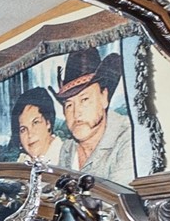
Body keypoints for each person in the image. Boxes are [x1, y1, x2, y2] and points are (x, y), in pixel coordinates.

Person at [55, 48, 134, 181]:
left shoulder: (127, 139)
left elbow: (115, 200)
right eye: (69, 105)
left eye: (84, 100)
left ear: (104, 98)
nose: (76, 112)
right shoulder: (68, 149)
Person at [11, 85, 62, 165]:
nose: (30, 134)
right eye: (23, 129)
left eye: (35, 122)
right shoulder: (22, 162)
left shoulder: (67, 157)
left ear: (48, 123)